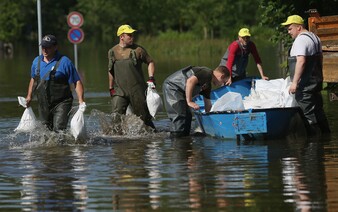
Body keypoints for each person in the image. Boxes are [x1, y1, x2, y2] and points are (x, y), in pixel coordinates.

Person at [281, 15, 330, 134]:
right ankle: (326, 139)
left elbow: (301, 61)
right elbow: (321, 58)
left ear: (298, 27)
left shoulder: (301, 40)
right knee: (318, 111)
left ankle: (315, 144)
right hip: (315, 82)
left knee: (308, 113)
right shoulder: (314, 37)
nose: (288, 32)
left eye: (290, 28)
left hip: (305, 85)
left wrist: (294, 83)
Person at [25, 34, 85, 132]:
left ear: (55, 47)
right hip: (43, 103)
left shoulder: (65, 62)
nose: (45, 50)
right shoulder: (37, 61)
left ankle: (61, 147)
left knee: (58, 129)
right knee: (45, 131)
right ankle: (50, 147)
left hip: (62, 102)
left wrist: (81, 101)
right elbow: (33, 80)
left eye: (48, 47)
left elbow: (76, 81)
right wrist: (29, 96)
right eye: (43, 47)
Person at [107, 24, 156, 129]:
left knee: (144, 119)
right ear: (121, 37)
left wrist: (151, 78)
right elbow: (110, 70)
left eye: (132, 35)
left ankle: (153, 138)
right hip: (119, 90)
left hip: (137, 90)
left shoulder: (138, 50)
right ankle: (118, 142)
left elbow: (150, 62)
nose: (132, 37)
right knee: (116, 118)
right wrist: (111, 88)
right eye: (129, 35)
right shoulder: (112, 51)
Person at [163, 66, 230, 138]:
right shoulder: (207, 73)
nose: (222, 84)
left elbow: (207, 103)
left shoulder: (207, 85)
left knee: (188, 117)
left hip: (181, 92)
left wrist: (210, 120)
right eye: (223, 82)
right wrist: (189, 101)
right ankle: (176, 139)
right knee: (180, 116)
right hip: (173, 87)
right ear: (222, 76)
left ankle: (184, 139)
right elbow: (190, 81)